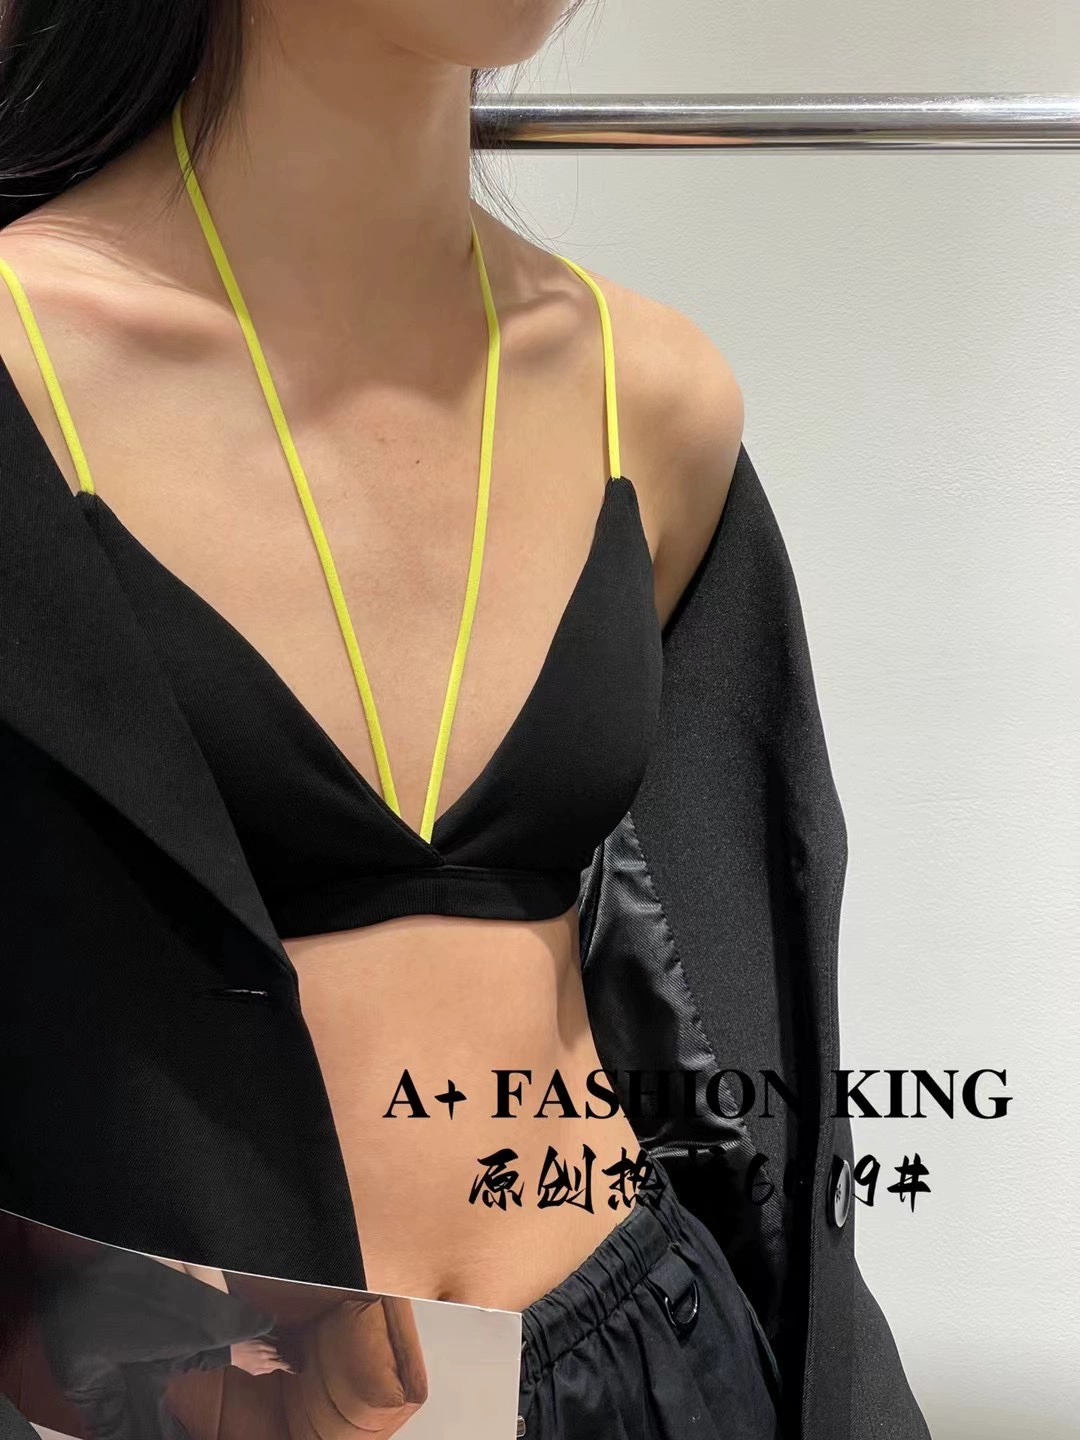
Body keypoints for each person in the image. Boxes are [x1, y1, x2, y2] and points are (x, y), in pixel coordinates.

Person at [0, 4, 932, 1439]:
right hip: (220, 1394)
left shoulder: (649, 394)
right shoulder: (27, 355)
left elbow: (752, 977)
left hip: (650, 1356)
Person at [37, 1251, 286, 1440]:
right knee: (211, 1314)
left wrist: (226, 1353)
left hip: (87, 1344)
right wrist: (226, 1354)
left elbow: (146, 1374)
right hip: (86, 1336)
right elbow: (145, 1370)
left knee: (221, 1318)